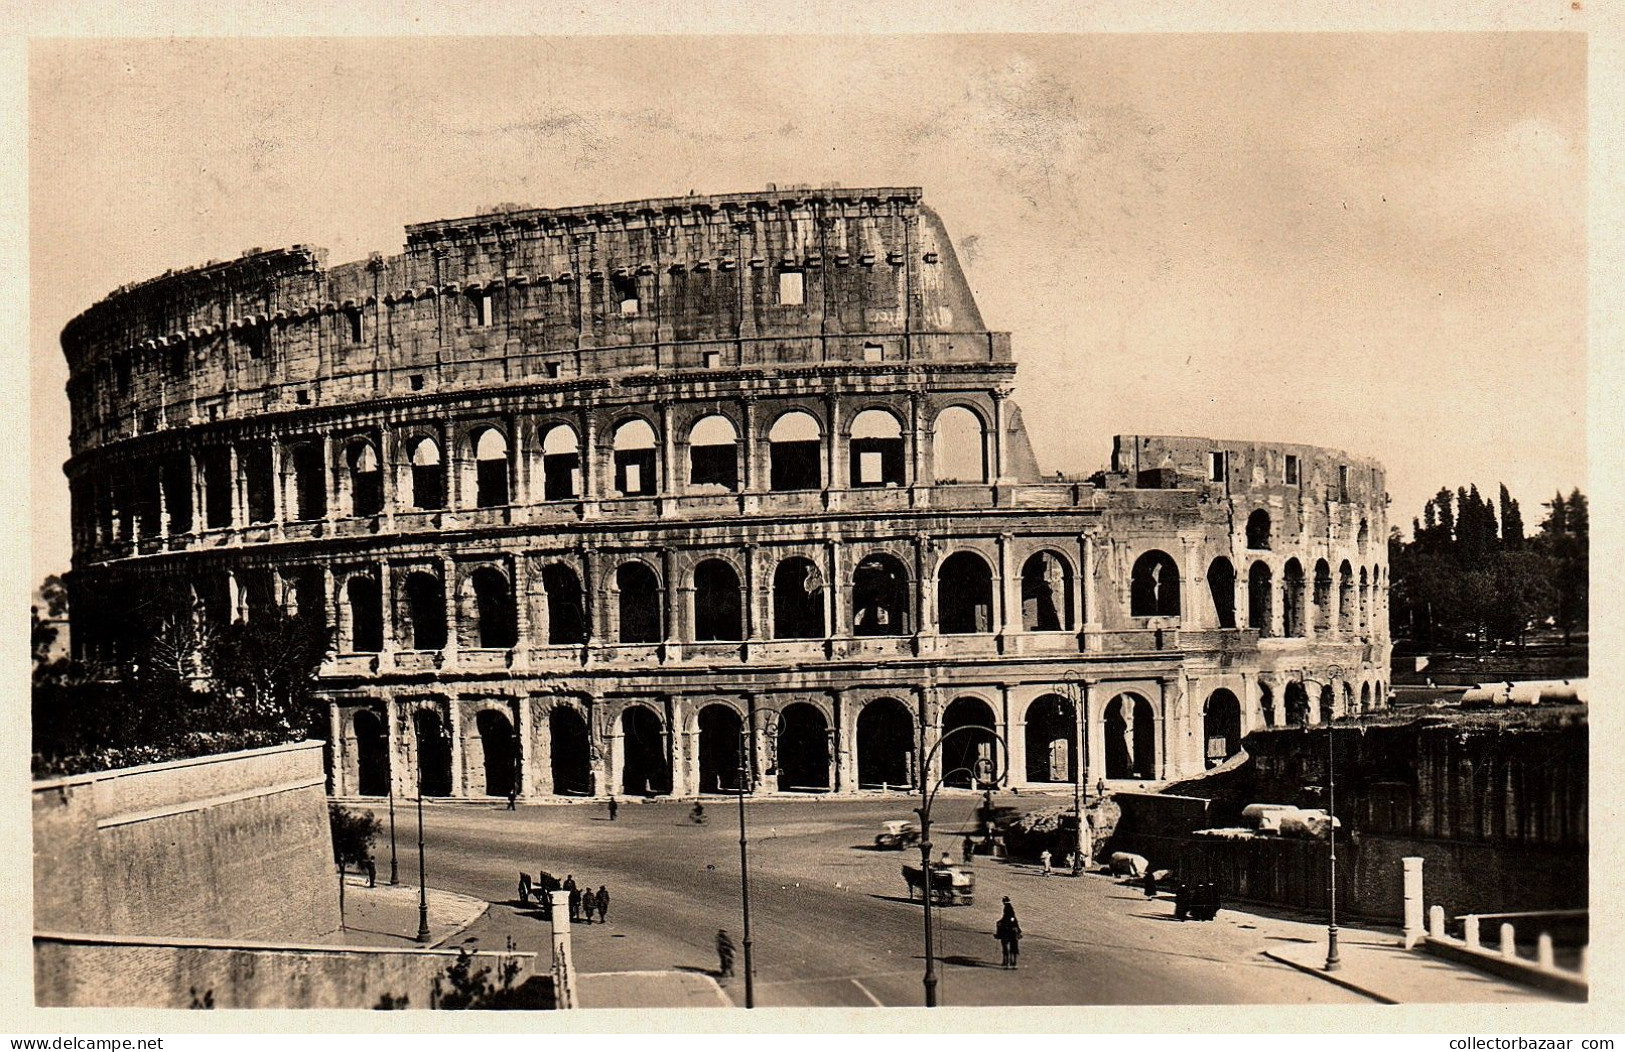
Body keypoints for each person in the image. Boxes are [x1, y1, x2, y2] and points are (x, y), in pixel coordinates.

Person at [994, 898, 1022, 970]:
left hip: (1007, 926)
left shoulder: (1006, 908)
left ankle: (998, 935)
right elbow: (1013, 919)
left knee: (998, 924)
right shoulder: (1011, 909)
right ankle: (1014, 962)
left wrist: (1000, 921)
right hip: (1012, 925)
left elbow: (1005, 918)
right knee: (1014, 947)